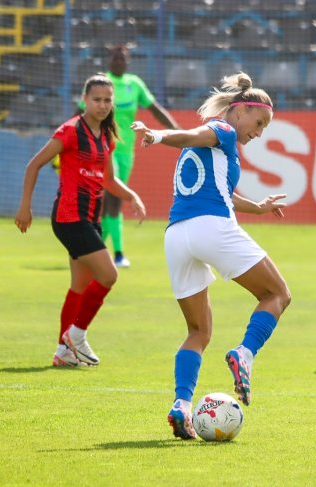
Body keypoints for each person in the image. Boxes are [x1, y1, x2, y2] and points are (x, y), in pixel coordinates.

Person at [131, 72, 291, 440]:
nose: (260, 132)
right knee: (277, 295)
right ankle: (245, 354)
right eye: (260, 122)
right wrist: (158, 136)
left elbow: (223, 192)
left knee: (198, 331)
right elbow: (192, 135)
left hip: (177, 236)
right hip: (210, 228)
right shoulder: (222, 130)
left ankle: (182, 406)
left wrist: (259, 208)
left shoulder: (218, 146)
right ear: (241, 111)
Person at [15, 74, 146, 368]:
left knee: (79, 286)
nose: (102, 105)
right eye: (96, 100)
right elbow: (34, 164)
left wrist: (132, 196)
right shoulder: (70, 131)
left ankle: (63, 352)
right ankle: (77, 335)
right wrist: (25, 207)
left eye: (107, 100)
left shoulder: (107, 137)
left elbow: (109, 180)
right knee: (109, 275)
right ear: (84, 100)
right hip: (69, 217)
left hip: (89, 218)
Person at [66, 45, 179, 268]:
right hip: (103, 149)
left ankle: (93, 250)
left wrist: (177, 132)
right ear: (109, 60)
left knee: (110, 203)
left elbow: (155, 109)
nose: (119, 62)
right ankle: (116, 254)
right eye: (115, 58)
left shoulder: (134, 84)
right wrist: (66, 144)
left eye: (123, 59)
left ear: (128, 61)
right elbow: (78, 114)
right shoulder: (101, 84)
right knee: (112, 199)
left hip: (127, 152)